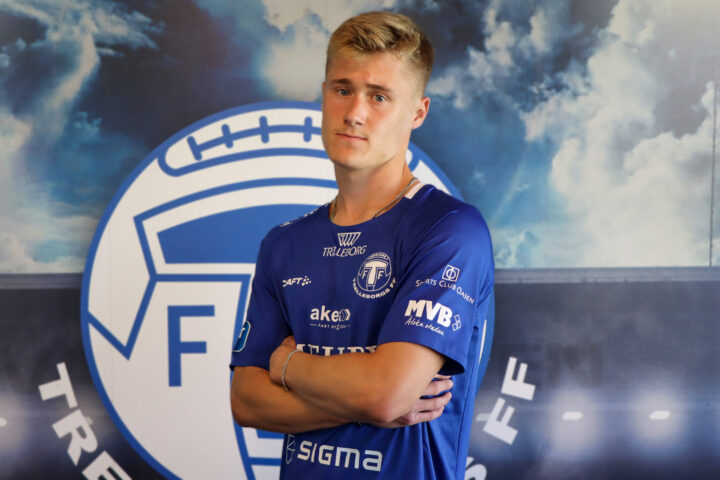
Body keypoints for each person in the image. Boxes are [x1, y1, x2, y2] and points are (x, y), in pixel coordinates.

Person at [230, 11, 494, 479]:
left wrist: (287, 364)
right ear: (324, 94)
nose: (354, 113)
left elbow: (385, 395)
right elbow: (247, 400)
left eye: (379, 96)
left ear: (418, 112)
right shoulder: (284, 243)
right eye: (342, 89)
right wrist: (366, 401)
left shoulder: (449, 229)